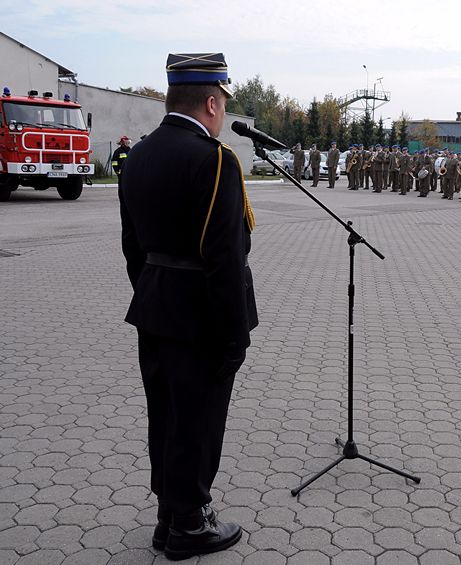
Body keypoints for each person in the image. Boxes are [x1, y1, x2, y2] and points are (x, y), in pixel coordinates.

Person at [118, 52, 254, 560]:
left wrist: (154, 293)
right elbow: (225, 258)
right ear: (213, 101)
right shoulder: (214, 159)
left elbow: (132, 245)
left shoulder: (141, 155)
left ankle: (168, 516)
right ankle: (191, 524)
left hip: (153, 308)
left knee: (166, 415)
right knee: (198, 419)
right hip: (201, 316)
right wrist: (235, 335)